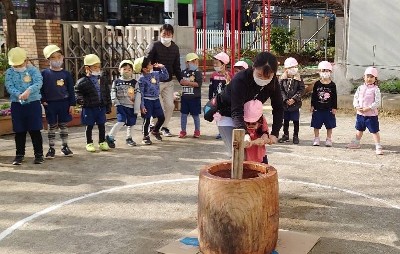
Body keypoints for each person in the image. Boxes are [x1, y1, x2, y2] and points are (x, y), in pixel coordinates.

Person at [230, 52, 283, 147]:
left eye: (268, 77)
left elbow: (278, 107)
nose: (263, 79)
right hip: (228, 114)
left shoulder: (273, 82)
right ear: (253, 67)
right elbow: (236, 110)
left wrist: (275, 133)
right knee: (239, 151)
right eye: (259, 75)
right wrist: (244, 133)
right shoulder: (240, 79)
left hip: (250, 118)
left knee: (257, 153)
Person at [5, 47, 44, 165]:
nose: (17, 67)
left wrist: (29, 91)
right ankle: (19, 155)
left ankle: (38, 154)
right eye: (15, 66)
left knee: (35, 130)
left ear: (26, 60)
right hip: (17, 104)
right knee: (19, 130)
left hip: (33, 103)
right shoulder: (9, 72)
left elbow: (38, 82)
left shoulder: (33, 71)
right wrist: (18, 94)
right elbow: (9, 85)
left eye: (19, 64)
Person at [147, 24, 182, 137]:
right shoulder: (155, 45)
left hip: (168, 81)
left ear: (172, 35)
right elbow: (147, 61)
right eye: (164, 34)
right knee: (159, 107)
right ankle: (153, 125)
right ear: (160, 34)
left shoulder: (175, 48)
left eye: (169, 34)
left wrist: (181, 79)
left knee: (170, 106)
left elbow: (176, 66)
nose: (166, 36)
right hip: (155, 81)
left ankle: (164, 127)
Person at [41, 44, 76, 159]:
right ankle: (51, 148)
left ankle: (65, 146)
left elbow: (71, 89)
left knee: (63, 125)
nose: (57, 60)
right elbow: (40, 88)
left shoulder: (66, 74)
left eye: (59, 56)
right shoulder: (44, 74)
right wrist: (43, 100)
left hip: (64, 103)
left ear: (63, 57)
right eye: (53, 57)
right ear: (48, 60)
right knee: (52, 126)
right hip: (50, 104)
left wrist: (72, 104)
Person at [75, 54, 112, 152]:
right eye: (95, 67)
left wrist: (108, 105)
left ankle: (102, 141)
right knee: (89, 125)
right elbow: (77, 92)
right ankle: (89, 142)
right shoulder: (82, 81)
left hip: (100, 107)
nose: (97, 69)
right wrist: (80, 100)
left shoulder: (102, 79)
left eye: (98, 67)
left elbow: (106, 93)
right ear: (88, 68)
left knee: (102, 125)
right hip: (89, 108)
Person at [346, 67, 383, 155]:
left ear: (375, 79)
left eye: (372, 77)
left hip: (371, 115)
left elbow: (377, 102)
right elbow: (356, 98)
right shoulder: (360, 88)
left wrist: (369, 108)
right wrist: (357, 106)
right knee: (359, 129)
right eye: (367, 76)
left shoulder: (376, 89)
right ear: (364, 77)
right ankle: (356, 143)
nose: (369, 79)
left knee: (374, 131)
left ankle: (378, 146)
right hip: (360, 114)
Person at [133, 56, 169, 145]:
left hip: (156, 99)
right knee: (147, 119)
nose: (151, 64)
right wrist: (142, 106)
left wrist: (162, 67)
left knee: (161, 117)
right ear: (144, 69)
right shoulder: (141, 79)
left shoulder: (155, 74)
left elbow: (166, 76)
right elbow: (140, 93)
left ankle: (155, 130)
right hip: (147, 101)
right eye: (149, 64)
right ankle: (145, 136)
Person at [105, 60, 141, 148]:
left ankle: (129, 138)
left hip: (131, 106)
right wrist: (115, 102)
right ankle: (110, 136)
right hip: (121, 105)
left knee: (131, 123)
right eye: (124, 69)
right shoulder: (116, 82)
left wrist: (136, 108)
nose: (127, 71)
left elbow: (138, 95)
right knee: (121, 121)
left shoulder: (134, 82)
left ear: (132, 71)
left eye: (129, 69)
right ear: (119, 70)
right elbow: (113, 92)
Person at [278, 57, 305, 144]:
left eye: (295, 67)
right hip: (285, 105)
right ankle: (285, 135)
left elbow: (301, 90)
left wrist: (294, 98)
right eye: (292, 67)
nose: (294, 69)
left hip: (295, 105)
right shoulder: (282, 79)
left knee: (295, 120)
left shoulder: (299, 78)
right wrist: (285, 99)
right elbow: (280, 90)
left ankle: (295, 136)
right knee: (285, 120)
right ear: (286, 69)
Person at [310, 60, 337, 147]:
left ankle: (328, 139)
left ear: (330, 72)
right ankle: (316, 138)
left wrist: (334, 107)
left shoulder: (332, 85)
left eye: (327, 70)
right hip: (318, 108)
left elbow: (334, 97)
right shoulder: (317, 84)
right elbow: (313, 95)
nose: (325, 72)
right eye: (323, 70)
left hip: (328, 109)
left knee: (329, 125)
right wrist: (312, 105)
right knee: (316, 125)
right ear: (319, 72)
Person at [178, 53, 202, 138]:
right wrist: (182, 82)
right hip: (185, 97)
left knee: (195, 115)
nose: (194, 63)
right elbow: (180, 81)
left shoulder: (198, 72)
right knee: (183, 115)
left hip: (194, 98)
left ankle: (197, 130)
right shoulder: (183, 72)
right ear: (187, 63)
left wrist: (188, 83)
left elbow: (198, 84)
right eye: (192, 62)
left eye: (196, 61)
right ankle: (183, 130)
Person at [209, 52, 231, 139]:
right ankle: (220, 132)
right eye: (214, 63)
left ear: (223, 64)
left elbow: (230, 87)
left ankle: (224, 131)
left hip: (225, 100)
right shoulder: (213, 75)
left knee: (224, 116)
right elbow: (211, 88)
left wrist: (228, 80)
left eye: (217, 63)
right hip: (216, 99)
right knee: (217, 115)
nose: (215, 65)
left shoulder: (229, 75)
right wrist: (210, 98)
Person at [243, 99, 271, 163]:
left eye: (254, 123)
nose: (250, 125)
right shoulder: (240, 123)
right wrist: (254, 142)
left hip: (260, 155)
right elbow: (243, 144)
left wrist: (265, 138)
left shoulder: (262, 120)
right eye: (247, 123)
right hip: (247, 157)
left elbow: (265, 132)